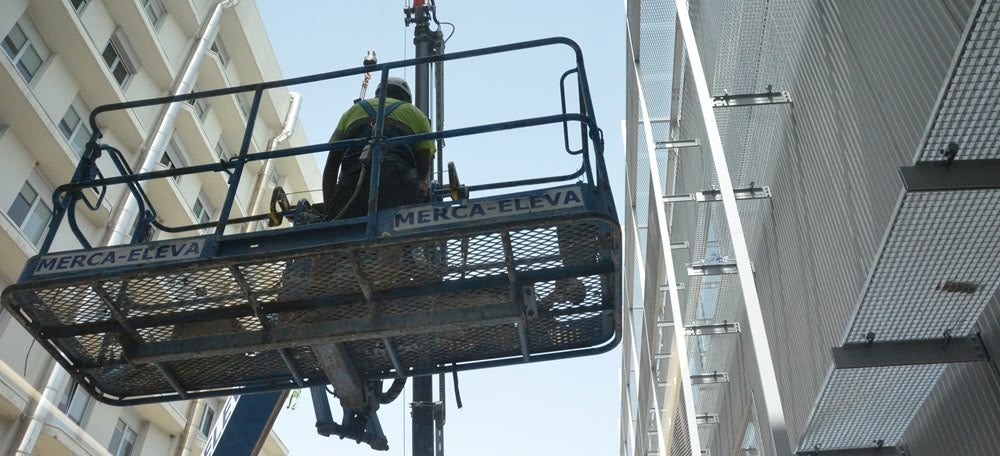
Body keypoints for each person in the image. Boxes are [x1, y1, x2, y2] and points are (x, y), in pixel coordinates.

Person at [323, 77, 435, 220]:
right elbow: (424, 161)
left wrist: (330, 211)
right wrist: (421, 188)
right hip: (398, 188)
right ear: (406, 98)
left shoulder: (353, 111)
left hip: (351, 187)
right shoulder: (417, 115)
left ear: (378, 93)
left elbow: (332, 162)